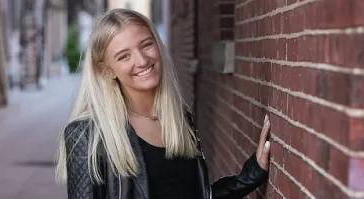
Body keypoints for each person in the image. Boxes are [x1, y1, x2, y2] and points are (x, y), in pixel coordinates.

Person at [56, 8, 271, 199]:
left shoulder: (178, 118)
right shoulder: (86, 134)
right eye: (124, 56)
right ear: (107, 70)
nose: (141, 60)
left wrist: (252, 173)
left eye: (146, 45)